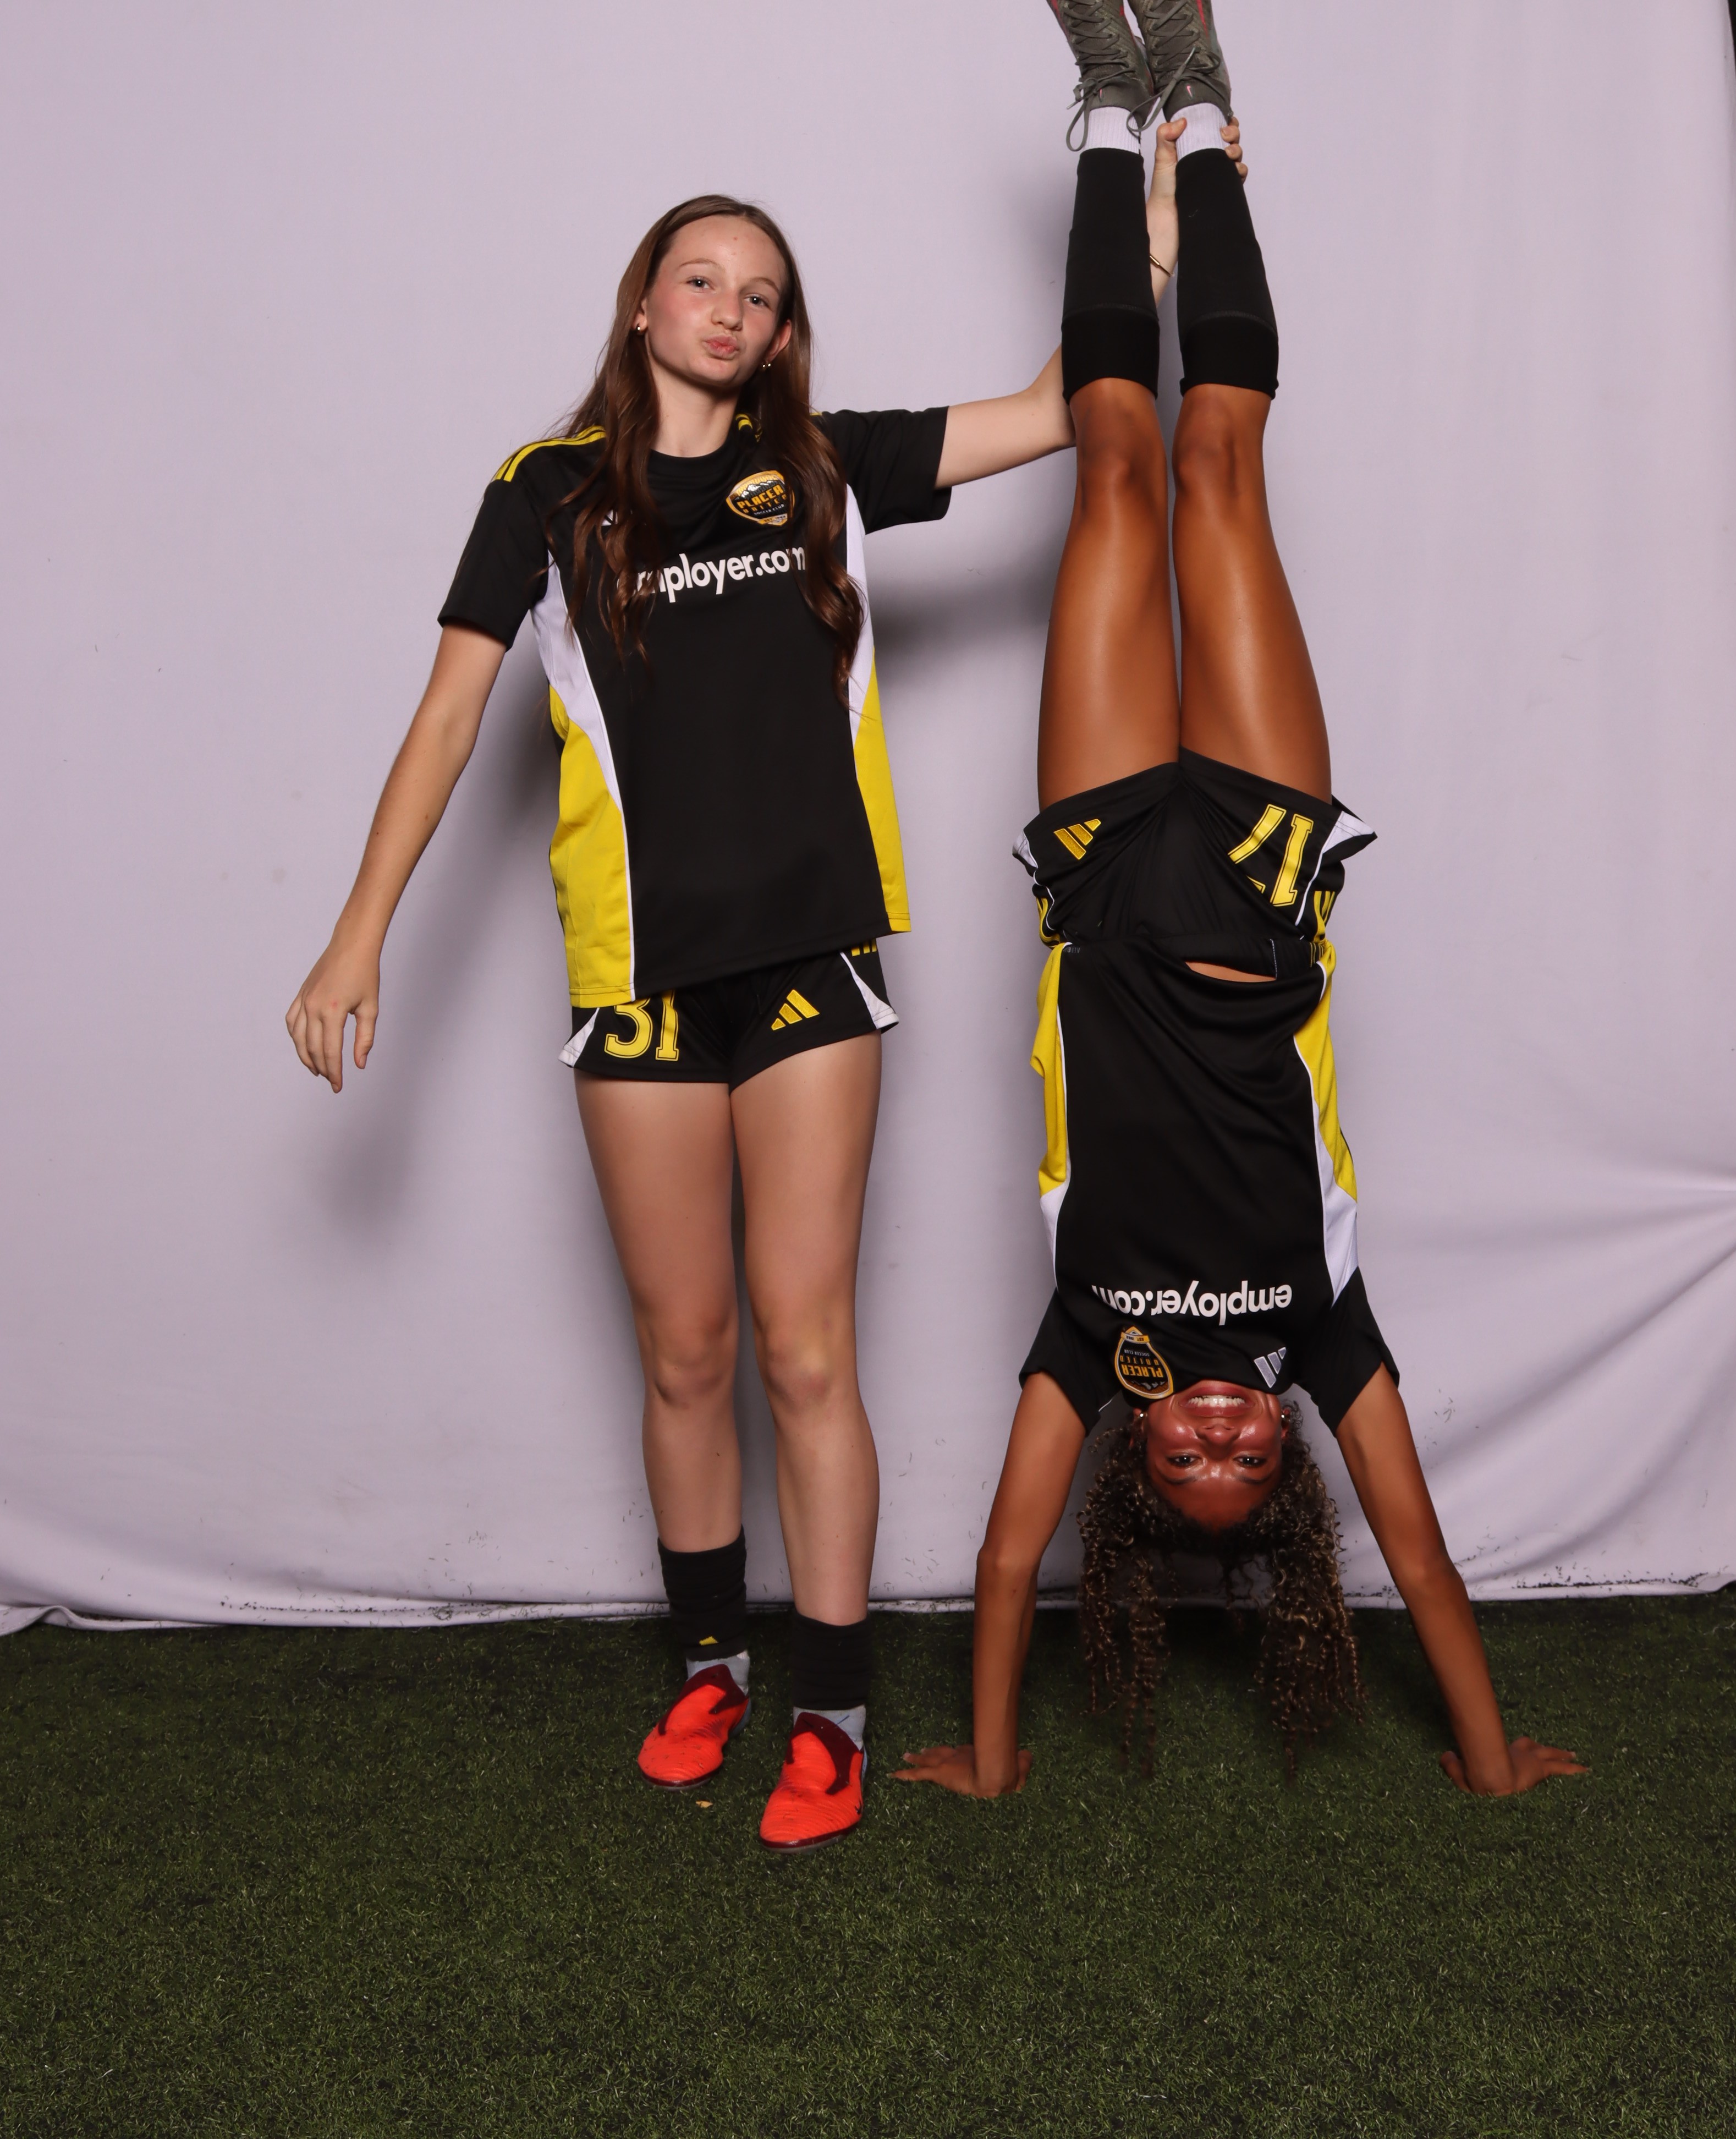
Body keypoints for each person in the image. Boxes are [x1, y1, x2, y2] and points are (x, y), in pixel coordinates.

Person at [284, 136, 1224, 1851]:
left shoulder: (828, 469)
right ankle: (711, 1667)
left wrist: (1155, 240)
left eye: (762, 295)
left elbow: (1055, 407)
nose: (730, 310)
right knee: (687, 1351)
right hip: (636, 980)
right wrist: (360, 933)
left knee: (804, 1346)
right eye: (702, 280)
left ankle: (833, 1714)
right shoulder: (545, 491)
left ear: (781, 335)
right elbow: (447, 718)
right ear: (644, 305)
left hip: (811, 966)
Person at [896, 0, 1586, 1800]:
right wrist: (1492, 1756)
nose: (1215, 1436)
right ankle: (1200, 112)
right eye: (1244, 1464)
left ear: (1137, 1459)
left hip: (1108, 870)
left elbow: (1006, 1564)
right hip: (1267, 892)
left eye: (1184, 1464)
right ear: (1289, 1465)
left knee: (1114, 466)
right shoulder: (1324, 1335)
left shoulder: (1089, 1338)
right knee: (1222, 469)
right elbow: (1421, 1559)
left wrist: (990, 1761)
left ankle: (1107, 112)